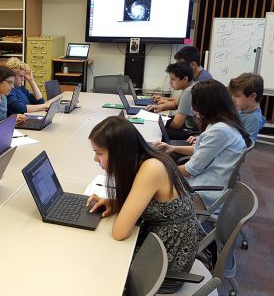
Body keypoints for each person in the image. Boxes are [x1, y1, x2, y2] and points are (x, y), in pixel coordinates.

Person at [85, 116, 199, 293]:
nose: (95, 159)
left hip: (168, 263)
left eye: (99, 153)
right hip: (159, 241)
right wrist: (114, 203)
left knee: (96, 265)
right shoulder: (145, 159)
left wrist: (120, 208)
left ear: (118, 152)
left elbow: (120, 232)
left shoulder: (151, 168)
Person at [155, 79, 249, 208]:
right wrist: (172, 148)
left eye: (195, 104)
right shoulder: (222, 124)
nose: (193, 109)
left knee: (151, 189)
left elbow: (189, 170)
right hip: (205, 183)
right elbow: (202, 151)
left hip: (202, 193)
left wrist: (159, 170)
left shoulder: (219, 130)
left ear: (207, 105)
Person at [147, 61, 197, 139]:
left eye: (172, 79)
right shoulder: (191, 86)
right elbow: (176, 104)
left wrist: (155, 120)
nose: (170, 82)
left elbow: (177, 124)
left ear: (185, 79)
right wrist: (161, 107)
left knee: (154, 131)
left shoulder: (188, 92)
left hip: (192, 131)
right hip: (187, 126)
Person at [229, 73, 266, 141]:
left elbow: (245, 144)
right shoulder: (242, 109)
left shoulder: (254, 119)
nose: (233, 99)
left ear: (252, 96)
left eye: (237, 96)